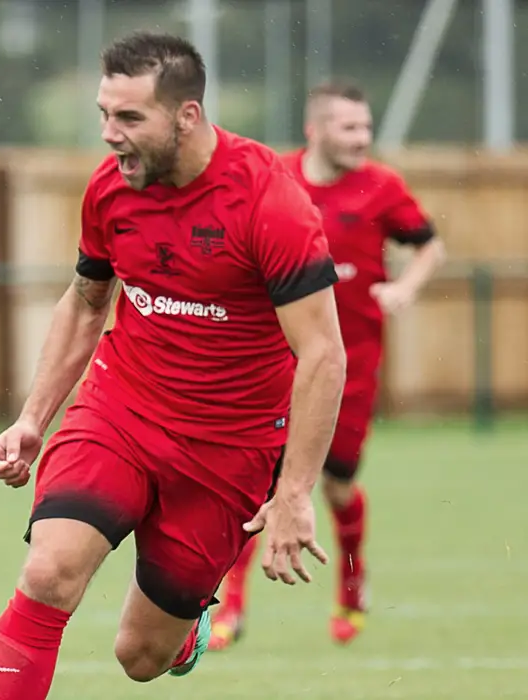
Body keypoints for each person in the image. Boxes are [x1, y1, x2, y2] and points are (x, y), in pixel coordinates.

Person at [0, 32, 347, 700]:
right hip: (121, 411)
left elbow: (323, 353)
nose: (109, 135)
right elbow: (88, 303)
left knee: (142, 657)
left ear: (187, 115)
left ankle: (186, 629)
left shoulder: (270, 202)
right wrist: (32, 419)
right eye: (103, 114)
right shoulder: (110, 190)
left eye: (128, 118)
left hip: (229, 446)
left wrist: (293, 492)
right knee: (50, 571)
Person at [209, 80, 447, 651]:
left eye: (366, 127)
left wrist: (406, 289)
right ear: (316, 130)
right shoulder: (277, 178)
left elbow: (430, 245)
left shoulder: (383, 187)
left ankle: (351, 585)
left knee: (337, 486)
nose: (362, 138)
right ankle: (230, 607)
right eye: (349, 127)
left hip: (350, 369)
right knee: (256, 485)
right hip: (274, 363)